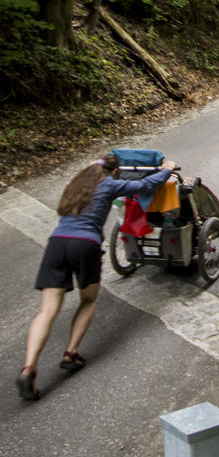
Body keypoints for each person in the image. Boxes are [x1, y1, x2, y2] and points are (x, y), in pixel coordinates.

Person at [16, 151, 176, 401]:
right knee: (88, 300)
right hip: (85, 244)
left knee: (47, 311)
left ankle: (29, 367)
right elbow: (145, 185)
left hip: (57, 242)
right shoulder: (110, 182)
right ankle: (70, 353)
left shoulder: (75, 184)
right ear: (113, 171)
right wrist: (167, 169)